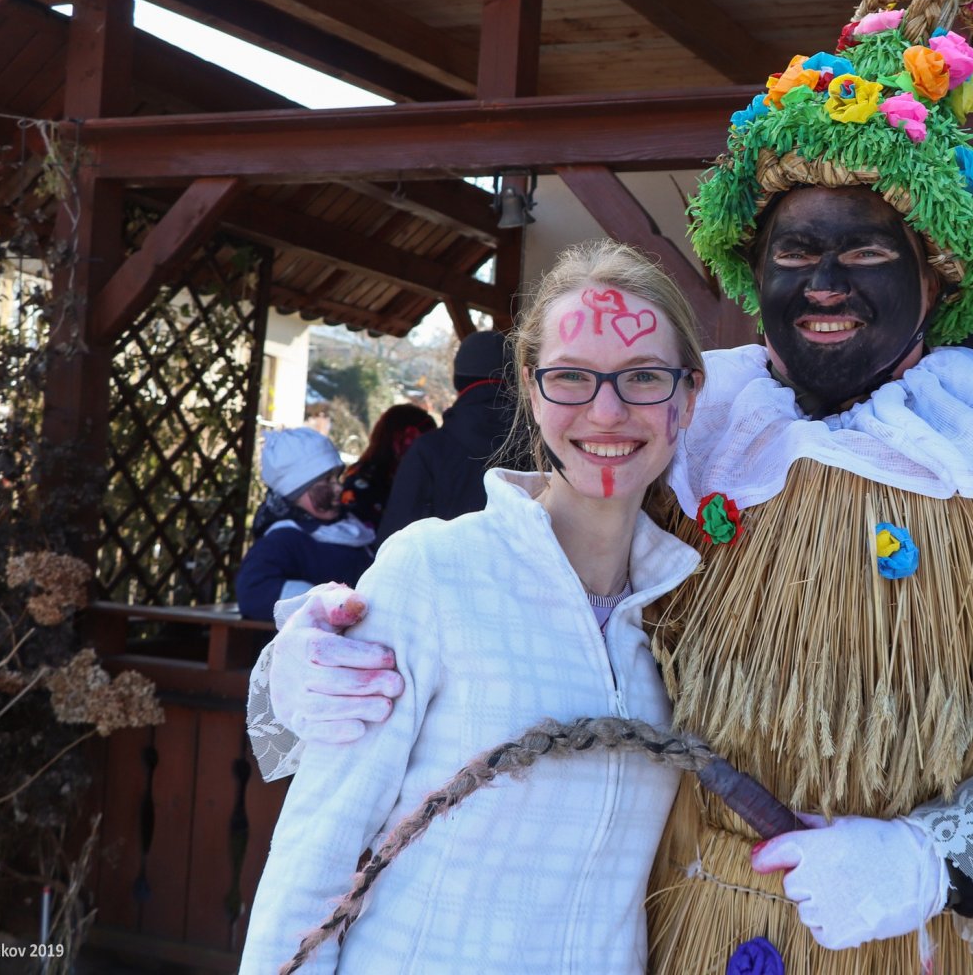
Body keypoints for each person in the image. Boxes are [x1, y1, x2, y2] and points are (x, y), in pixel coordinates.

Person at [251, 0, 973, 972]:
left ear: (934, 277)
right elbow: (519, 607)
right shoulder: (683, 441)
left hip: (925, 944)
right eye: (795, 252)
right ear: (753, 270)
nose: (824, 283)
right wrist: (312, 664)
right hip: (676, 937)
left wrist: (932, 863)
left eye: (865, 252)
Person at [238, 240, 707, 972]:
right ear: (530, 388)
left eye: (644, 376)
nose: (607, 411)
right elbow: (313, 855)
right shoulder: (436, 572)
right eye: (571, 376)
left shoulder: (683, 612)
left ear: (688, 395)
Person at [374, 329, 524, 541]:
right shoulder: (541, 449)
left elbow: (392, 543)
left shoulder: (429, 451)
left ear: (458, 382)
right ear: (516, 381)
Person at [234, 428, 375, 623]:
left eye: (337, 478)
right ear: (297, 490)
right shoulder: (283, 540)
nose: (338, 487)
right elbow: (253, 592)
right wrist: (325, 602)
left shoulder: (350, 528)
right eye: (327, 480)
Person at [337, 402, 436, 529]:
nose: (431, 452)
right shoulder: (364, 482)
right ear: (405, 439)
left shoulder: (405, 479)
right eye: (425, 442)